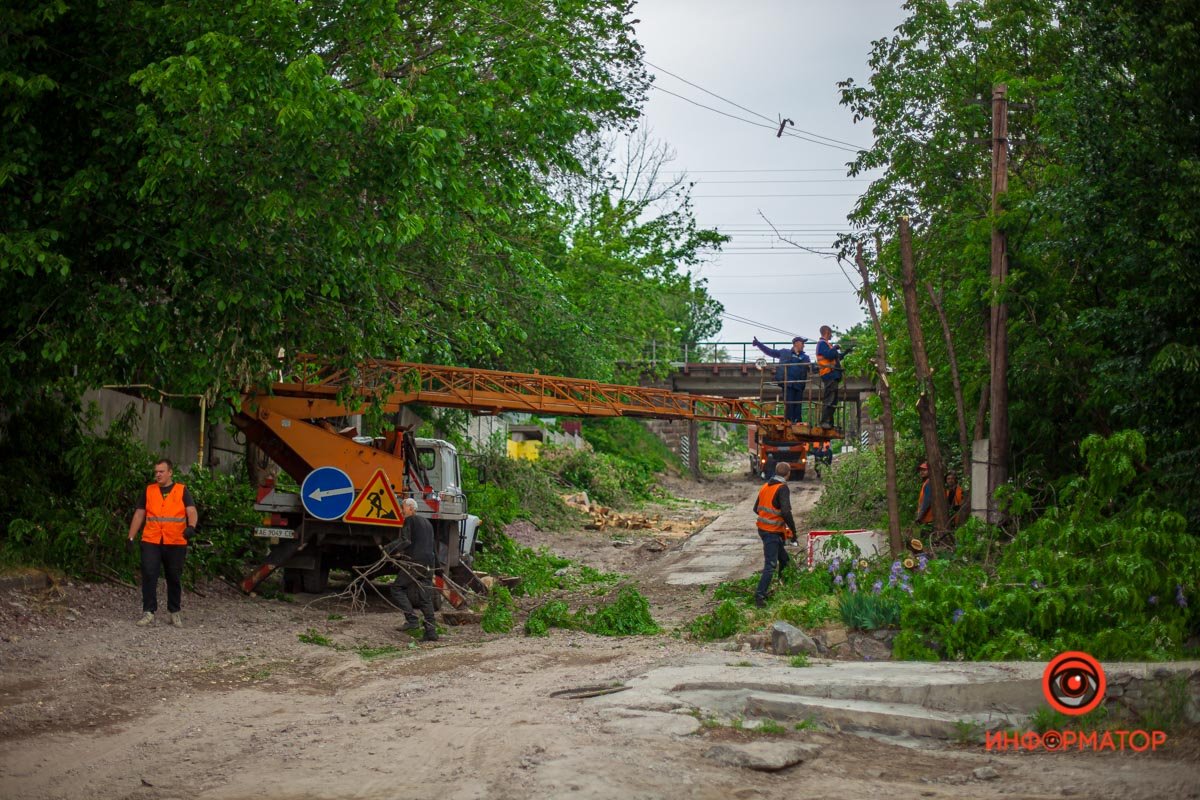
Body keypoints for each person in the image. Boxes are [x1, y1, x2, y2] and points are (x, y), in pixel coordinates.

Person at [127, 459, 198, 628]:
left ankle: (174, 612)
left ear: (170, 472)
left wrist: (191, 527)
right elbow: (139, 514)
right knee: (149, 573)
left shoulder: (181, 490)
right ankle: (148, 611)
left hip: (175, 541)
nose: (158, 474)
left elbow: (192, 511)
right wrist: (130, 537)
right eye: (156, 472)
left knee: (174, 576)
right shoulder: (149, 491)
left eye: (161, 471)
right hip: (151, 540)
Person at [388, 497, 439, 642]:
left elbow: (406, 540)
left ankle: (412, 620)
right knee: (425, 597)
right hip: (429, 563)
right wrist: (438, 569)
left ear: (410, 508)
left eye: (402, 508)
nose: (401, 511)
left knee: (397, 588)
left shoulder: (410, 520)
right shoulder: (428, 523)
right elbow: (430, 546)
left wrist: (388, 549)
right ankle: (431, 631)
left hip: (416, 562)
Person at [753, 462, 797, 608]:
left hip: (764, 529)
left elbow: (756, 508)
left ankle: (783, 587)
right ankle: (759, 596)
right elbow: (785, 511)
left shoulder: (765, 486)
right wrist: (793, 530)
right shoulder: (782, 488)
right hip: (771, 532)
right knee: (771, 565)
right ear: (788, 473)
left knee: (784, 560)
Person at [752, 335, 811, 424]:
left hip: (799, 385)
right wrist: (758, 344)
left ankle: (798, 422)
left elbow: (811, 367)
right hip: (788, 384)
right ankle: (789, 422)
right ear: (797, 344)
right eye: (803, 343)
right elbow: (770, 352)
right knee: (789, 404)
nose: (804, 345)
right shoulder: (784, 352)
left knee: (798, 405)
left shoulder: (805, 357)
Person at [816, 325, 843, 429]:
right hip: (828, 373)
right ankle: (824, 422)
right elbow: (829, 355)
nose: (831, 335)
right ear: (827, 332)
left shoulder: (827, 344)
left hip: (833, 374)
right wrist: (835, 348)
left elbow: (835, 357)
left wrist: (845, 353)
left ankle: (829, 423)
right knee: (830, 399)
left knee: (834, 400)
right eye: (830, 333)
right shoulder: (822, 343)